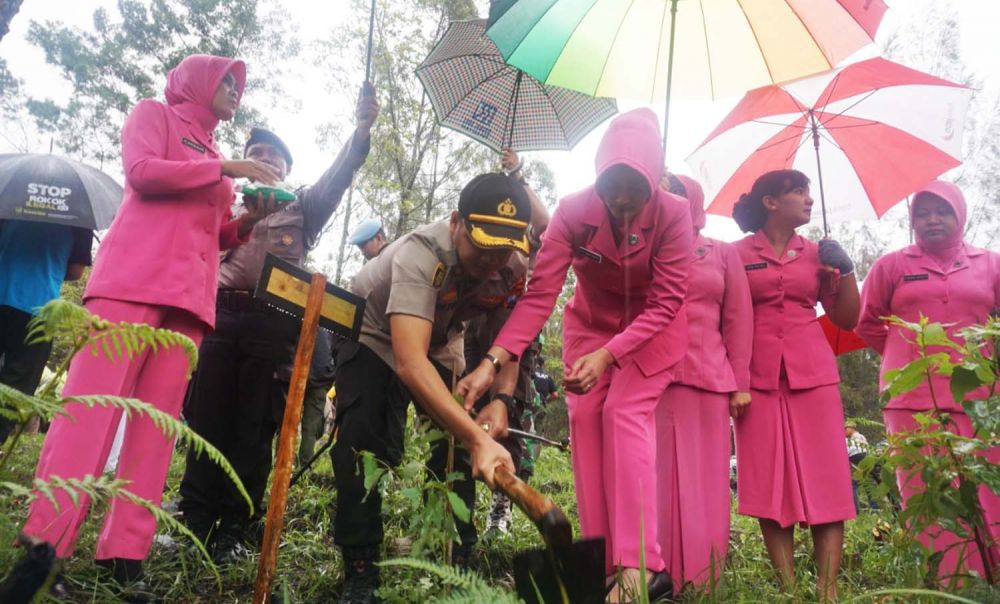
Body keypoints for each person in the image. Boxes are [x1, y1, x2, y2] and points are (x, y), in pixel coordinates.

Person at [17, 54, 282, 593]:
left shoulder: (211, 151)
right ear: (198, 80)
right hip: (130, 286)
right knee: (88, 418)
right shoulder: (154, 115)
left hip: (188, 303)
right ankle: (45, 548)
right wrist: (229, 168)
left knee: (156, 431)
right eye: (226, 81)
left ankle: (124, 555)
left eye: (239, 84)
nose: (235, 90)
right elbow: (143, 174)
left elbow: (211, 232)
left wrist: (246, 221)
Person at [458, 108, 692, 603]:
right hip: (590, 329)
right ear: (599, 174)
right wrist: (493, 361)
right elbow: (541, 295)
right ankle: (603, 560)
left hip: (652, 333)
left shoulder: (674, 214)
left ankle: (642, 566)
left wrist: (611, 355)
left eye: (636, 185)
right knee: (586, 421)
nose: (624, 198)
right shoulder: (571, 212)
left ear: (654, 177)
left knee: (624, 413)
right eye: (614, 183)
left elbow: (668, 303)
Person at [178, 83, 378, 561]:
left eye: (274, 155)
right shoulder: (222, 198)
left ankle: (235, 527)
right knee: (206, 419)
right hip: (220, 318)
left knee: (254, 425)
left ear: (287, 170)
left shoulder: (303, 206)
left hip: (274, 325)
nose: (264, 158)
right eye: (255, 152)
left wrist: (362, 129)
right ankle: (195, 519)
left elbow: (341, 173)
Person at [332, 172, 530, 604]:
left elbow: (509, 344)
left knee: (457, 441)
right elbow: (408, 360)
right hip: (373, 332)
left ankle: (455, 550)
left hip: (442, 338)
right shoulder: (422, 252)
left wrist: (499, 401)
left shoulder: (512, 265)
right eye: (482, 248)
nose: (493, 262)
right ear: (457, 223)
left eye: (504, 250)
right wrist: (476, 435)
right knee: (364, 440)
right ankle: (361, 564)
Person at [857, 180, 999, 580]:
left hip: (980, 398)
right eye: (922, 212)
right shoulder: (892, 266)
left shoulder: (991, 263)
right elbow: (868, 322)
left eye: (942, 211)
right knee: (926, 492)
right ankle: (949, 580)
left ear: (960, 214)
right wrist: (905, 355)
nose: (932, 219)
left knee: (987, 490)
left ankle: (992, 579)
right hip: (910, 400)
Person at [730, 169, 859, 601]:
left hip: (814, 376)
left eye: (808, 190)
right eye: (797, 192)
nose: (808, 199)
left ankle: (828, 591)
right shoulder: (736, 253)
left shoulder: (818, 254)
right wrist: (732, 380)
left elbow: (845, 318)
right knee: (768, 483)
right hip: (756, 380)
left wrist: (847, 270)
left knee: (828, 479)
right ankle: (787, 590)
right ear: (770, 201)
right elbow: (726, 314)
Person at [655, 173, 753, 591]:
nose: (668, 200)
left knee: (705, 481)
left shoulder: (722, 253)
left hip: (710, 380)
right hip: (652, 382)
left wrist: (741, 383)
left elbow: (739, 320)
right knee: (655, 478)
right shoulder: (644, 252)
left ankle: (702, 579)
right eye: (661, 193)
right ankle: (654, 575)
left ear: (693, 201)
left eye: (676, 193)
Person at [0, 220, 93, 443]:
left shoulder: (11, 199)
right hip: (40, 309)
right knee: (17, 390)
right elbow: (75, 271)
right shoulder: (79, 218)